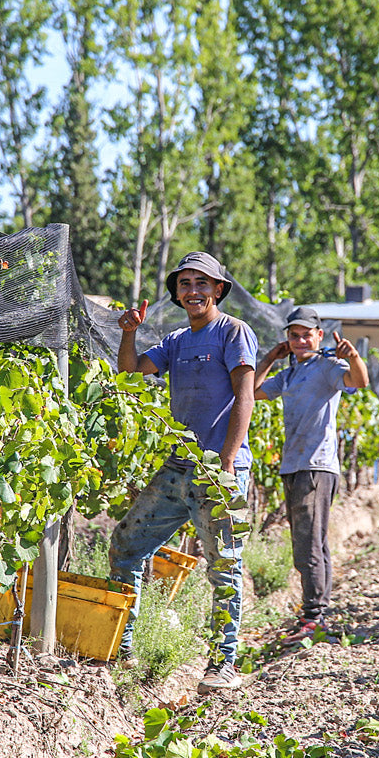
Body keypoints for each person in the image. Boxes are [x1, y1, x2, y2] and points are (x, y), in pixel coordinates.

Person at [110, 251, 257, 693]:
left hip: (218, 469)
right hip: (178, 467)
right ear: (177, 293)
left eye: (201, 283)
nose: (192, 291)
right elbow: (131, 373)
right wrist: (130, 335)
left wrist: (228, 461)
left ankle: (222, 663)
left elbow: (245, 396)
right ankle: (122, 648)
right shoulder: (176, 340)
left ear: (218, 290)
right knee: (126, 544)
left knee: (224, 568)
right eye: (184, 284)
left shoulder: (234, 332)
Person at [253, 306, 369, 644]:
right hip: (294, 466)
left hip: (316, 467)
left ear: (319, 336)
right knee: (309, 542)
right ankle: (311, 614)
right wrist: (270, 359)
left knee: (309, 545)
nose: (301, 340)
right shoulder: (289, 374)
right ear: (287, 340)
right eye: (294, 335)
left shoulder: (327, 367)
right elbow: (250, 392)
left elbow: (358, 381)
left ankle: (314, 618)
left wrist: (355, 357)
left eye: (307, 334)